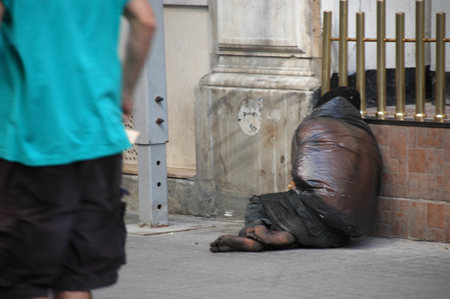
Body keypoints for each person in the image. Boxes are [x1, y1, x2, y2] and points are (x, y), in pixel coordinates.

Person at [0, 0, 155, 298]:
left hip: (30, 138)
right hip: (98, 138)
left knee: (20, 279)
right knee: (74, 276)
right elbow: (145, 21)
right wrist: (124, 90)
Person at [210, 87, 382, 253]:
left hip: (311, 218)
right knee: (302, 219)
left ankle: (255, 229)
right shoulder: (367, 136)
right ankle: (285, 237)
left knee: (260, 202)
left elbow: (301, 173)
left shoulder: (313, 125)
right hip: (340, 235)